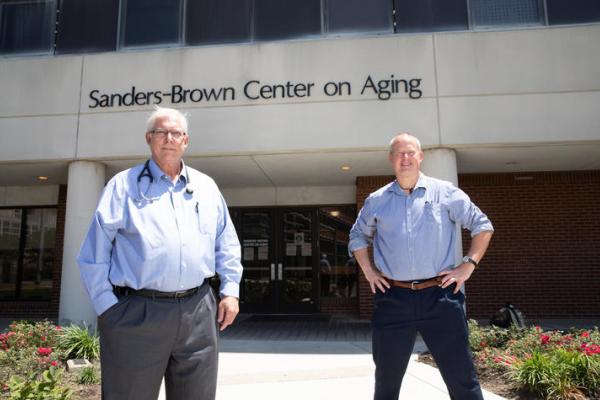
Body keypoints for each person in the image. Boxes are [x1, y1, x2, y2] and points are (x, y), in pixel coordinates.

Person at [77, 107, 242, 400]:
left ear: (186, 141)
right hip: (137, 312)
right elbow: (94, 253)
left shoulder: (206, 187)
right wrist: (108, 308)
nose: (169, 138)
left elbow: (226, 243)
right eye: (161, 132)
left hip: (198, 311)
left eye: (176, 133)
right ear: (149, 138)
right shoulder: (122, 186)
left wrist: (230, 291)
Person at [349, 133, 494, 400]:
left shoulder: (446, 192)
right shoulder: (377, 200)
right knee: (386, 381)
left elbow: (482, 226)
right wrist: (369, 271)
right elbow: (357, 236)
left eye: (411, 152)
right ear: (391, 159)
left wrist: (468, 264)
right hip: (393, 298)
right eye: (400, 153)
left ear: (420, 156)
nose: (406, 158)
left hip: (440, 297)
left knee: (462, 378)